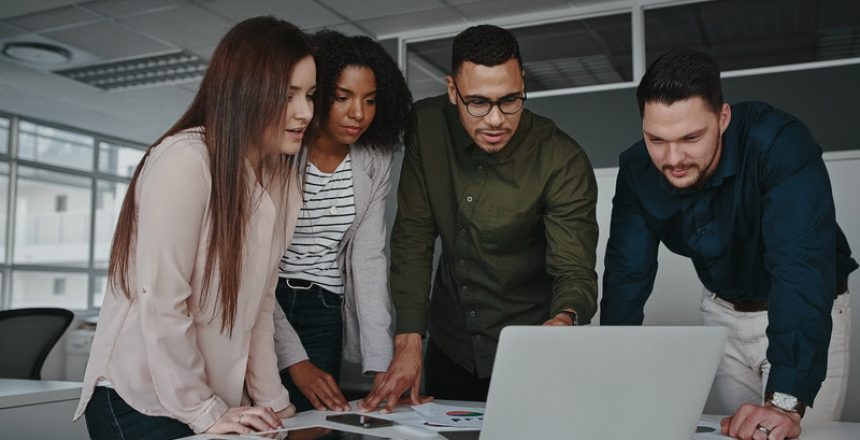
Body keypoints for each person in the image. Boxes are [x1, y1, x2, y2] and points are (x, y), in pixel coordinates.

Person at [74, 17, 316, 439]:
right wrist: (203, 411)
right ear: (245, 92)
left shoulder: (282, 181)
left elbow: (259, 305)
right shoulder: (185, 159)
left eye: (310, 95)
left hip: (208, 400)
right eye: (288, 94)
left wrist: (276, 404)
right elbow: (163, 300)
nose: (305, 112)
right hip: (140, 401)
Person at [601, 48, 856, 440]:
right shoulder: (637, 169)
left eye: (691, 137)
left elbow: (800, 269)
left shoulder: (778, 144)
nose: (673, 158)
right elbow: (625, 276)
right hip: (722, 314)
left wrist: (785, 403)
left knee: (786, 433)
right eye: (656, 139)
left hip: (806, 307)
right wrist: (611, 376)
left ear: (722, 118)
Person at [359, 24, 599, 412]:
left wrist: (564, 320)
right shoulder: (428, 124)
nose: (495, 120)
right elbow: (414, 236)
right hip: (450, 346)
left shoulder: (562, 160)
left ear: (523, 84)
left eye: (510, 99)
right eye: (477, 102)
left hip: (530, 350)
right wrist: (408, 340)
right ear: (452, 91)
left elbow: (574, 270)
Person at [271, 30, 412, 413]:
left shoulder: (375, 158)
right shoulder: (281, 149)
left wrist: (382, 363)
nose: (358, 114)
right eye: (342, 97)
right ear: (317, 96)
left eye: (370, 100)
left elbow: (368, 259)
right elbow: (252, 268)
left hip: (324, 307)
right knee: (264, 418)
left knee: (316, 422)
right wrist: (294, 360)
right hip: (268, 303)